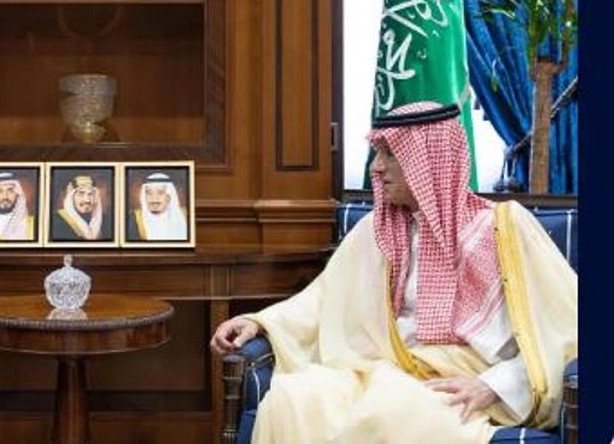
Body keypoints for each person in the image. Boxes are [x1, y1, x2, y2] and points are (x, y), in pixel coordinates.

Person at [209, 101, 577, 443]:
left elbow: (566, 329)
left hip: (457, 382)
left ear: (430, 161)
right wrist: (258, 322)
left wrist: (493, 386)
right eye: (377, 153)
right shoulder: (377, 229)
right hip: (381, 370)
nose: (376, 167)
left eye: (391, 154)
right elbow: (323, 300)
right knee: (295, 398)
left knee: (389, 410)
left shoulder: (505, 229)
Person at [125, 172, 188, 241]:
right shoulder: (133, 220)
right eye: (149, 193)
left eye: (160, 192)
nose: (154, 198)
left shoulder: (185, 216)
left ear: (169, 197)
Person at [50, 174, 112, 241]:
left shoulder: (106, 221)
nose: (87, 200)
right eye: (81, 193)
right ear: (71, 197)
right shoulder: (57, 220)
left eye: (90, 194)